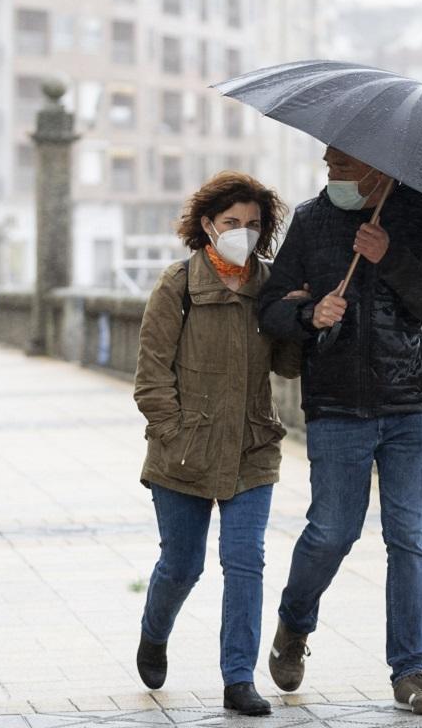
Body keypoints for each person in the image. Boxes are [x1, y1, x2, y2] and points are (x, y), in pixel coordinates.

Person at [257, 146, 422, 715]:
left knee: (409, 536)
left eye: (342, 161)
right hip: (336, 406)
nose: (329, 165)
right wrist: (308, 315)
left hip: (411, 406)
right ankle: (294, 624)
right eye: (328, 160)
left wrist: (390, 257)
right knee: (332, 532)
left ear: (378, 165)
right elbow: (269, 307)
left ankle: (412, 670)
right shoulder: (311, 219)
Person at [133, 172, 302, 716]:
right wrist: (175, 435)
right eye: (232, 223)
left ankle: (238, 679)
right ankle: (154, 633)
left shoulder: (270, 286)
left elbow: (289, 367)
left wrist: (301, 319)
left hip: (252, 448)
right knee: (182, 566)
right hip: (184, 451)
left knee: (245, 560)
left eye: (253, 224)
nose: (243, 233)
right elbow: (150, 379)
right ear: (207, 224)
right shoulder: (177, 285)